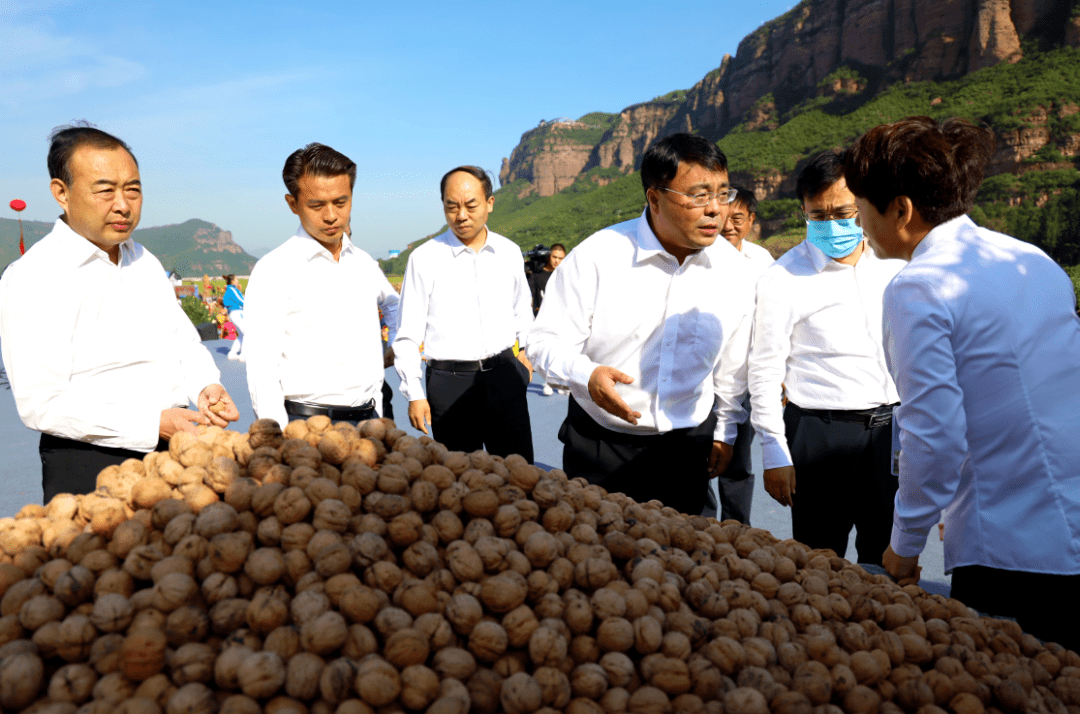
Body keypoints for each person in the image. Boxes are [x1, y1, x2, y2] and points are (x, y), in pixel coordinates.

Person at [845, 116, 1080, 649]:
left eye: (861, 208)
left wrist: (904, 544)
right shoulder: (1030, 259)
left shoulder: (920, 288)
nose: (859, 223)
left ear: (900, 210)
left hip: (1014, 548)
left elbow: (935, 436)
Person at [0, 123, 240, 502]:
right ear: (61, 193)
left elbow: (182, 342)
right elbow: (40, 404)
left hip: (176, 449)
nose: (123, 205)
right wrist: (153, 423)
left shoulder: (144, 260)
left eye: (132, 189)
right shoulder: (33, 277)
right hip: (92, 463)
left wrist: (205, 386)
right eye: (105, 190)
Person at [528, 133, 754, 515]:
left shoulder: (734, 271)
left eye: (722, 194)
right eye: (699, 195)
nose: (717, 210)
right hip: (602, 447)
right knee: (596, 560)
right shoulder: (598, 257)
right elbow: (545, 341)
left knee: (687, 563)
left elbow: (732, 365)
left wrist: (725, 430)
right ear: (655, 198)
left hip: (688, 448)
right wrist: (586, 374)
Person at [748, 149, 904, 565]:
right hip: (818, 433)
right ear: (802, 212)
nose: (832, 225)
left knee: (887, 551)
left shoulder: (893, 263)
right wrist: (774, 452)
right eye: (817, 216)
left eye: (844, 212)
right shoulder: (784, 277)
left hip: (891, 431)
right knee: (819, 560)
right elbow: (764, 371)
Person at [244, 143, 399, 427]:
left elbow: (393, 304)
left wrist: (395, 343)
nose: (331, 216)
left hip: (370, 419)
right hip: (306, 426)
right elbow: (262, 369)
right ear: (293, 204)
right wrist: (277, 440)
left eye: (341, 202)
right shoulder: (275, 269)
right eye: (316, 205)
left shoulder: (364, 263)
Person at [393, 166, 535, 462]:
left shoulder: (508, 252)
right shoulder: (424, 258)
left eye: (471, 206)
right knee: (460, 481)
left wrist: (526, 354)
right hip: (449, 383)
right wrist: (414, 392)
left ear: (490, 204)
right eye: (451, 206)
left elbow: (522, 309)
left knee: (521, 475)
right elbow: (406, 334)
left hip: (506, 376)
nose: (461, 216)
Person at [703, 185, 775, 524]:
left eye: (739, 219)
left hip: (743, 376)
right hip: (701, 376)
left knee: (738, 459)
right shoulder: (699, 255)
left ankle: (736, 529)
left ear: (751, 220)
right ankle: (699, 525)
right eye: (725, 218)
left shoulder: (763, 261)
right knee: (698, 456)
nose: (730, 226)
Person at [527, 243, 566, 396]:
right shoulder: (537, 275)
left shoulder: (565, 275)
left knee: (562, 351)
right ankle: (548, 381)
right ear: (549, 257)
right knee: (546, 352)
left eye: (561, 258)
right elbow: (529, 295)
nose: (557, 261)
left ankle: (562, 382)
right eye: (555, 257)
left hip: (563, 319)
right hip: (542, 319)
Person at [222, 274, 245, 361]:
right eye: (236, 279)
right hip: (237, 313)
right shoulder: (232, 289)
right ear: (232, 281)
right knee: (247, 333)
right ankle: (244, 356)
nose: (238, 281)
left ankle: (232, 354)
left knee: (242, 335)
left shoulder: (231, 289)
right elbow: (241, 300)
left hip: (234, 313)